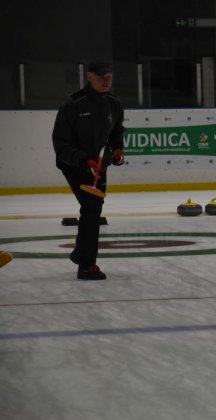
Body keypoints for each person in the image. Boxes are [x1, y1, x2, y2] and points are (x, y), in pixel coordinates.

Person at [52, 60, 125, 280]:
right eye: (102, 77)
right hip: (74, 165)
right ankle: (86, 265)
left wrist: (118, 149)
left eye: (110, 77)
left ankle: (80, 253)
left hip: (99, 165)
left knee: (93, 209)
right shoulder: (73, 105)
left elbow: (116, 132)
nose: (106, 81)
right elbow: (60, 143)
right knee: (92, 208)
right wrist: (83, 160)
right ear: (89, 77)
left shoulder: (114, 104)